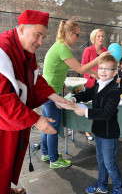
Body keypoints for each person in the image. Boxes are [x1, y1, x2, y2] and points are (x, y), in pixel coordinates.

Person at [0, 10, 72, 194]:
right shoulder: (3, 50)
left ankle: (6, 188)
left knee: (9, 160)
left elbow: (34, 79)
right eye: (37, 35)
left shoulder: (24, 49)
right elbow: (3, 99)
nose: (40, 42)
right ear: (22, 28)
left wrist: (54, 96)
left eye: (43, 36)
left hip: (12, 120)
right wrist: (36, 119)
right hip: (3, 121)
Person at [41, 20, 110, 168]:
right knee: (53, 126)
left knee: (47, 124)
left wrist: (94, 72)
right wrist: (98, 59)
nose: (78, 38)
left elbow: (79, 67)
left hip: (47, 91)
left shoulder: (60, 47)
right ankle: (54, 159)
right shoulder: (62, 48)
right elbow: (80, 69)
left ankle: (46, 153)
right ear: (69, 33)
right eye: (77, 35)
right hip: (51, 92)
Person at [71, 55, 122, 194]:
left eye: (108, 69)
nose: (103, 71)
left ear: (114, 72)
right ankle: (102, 185)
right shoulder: (98, 84)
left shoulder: (114, 91)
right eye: (101, 68)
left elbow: (107, 113)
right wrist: (74, 97)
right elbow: (87, 94)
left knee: (109, 163)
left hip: (109, 133)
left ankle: (119, 189)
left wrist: (86, 112)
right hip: (98, 131)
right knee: (101, 161)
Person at [81, 29, 107, 141]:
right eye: (98, 36)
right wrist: (93, 75)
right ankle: (87, 129)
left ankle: (99, 128)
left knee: (101, 107)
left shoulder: (105, 50)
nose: (101, 38)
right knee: (90, 107)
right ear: (93, 38)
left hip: (103, 84)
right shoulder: (88, 50)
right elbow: (82, 67)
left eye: (102, 36)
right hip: (91, 84)